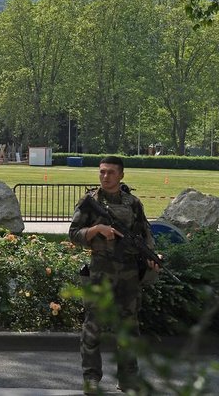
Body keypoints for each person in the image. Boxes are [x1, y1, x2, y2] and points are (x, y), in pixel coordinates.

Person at [69, 156, 159, 395]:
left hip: (128, 274)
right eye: (102, 172)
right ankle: (91, 379)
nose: (105, 176)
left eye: (110, 172)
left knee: (129, 329)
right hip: (100, 272)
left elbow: (145, 234)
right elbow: (73, 234)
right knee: (92, 328)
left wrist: (152, 256)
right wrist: (97, 230)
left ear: (121, 175)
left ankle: (128, 379)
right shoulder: (90, 202)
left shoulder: (133, 203)